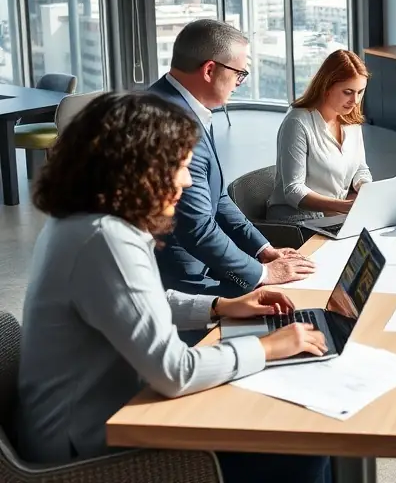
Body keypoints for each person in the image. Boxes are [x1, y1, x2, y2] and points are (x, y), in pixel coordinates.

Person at [17, 92, 332, 483]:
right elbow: (175, 373)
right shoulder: (104, 239)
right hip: (86, 447)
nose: (185, 180)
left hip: (92, 415)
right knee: (302, 451)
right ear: (138, 168)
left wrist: (219, 305)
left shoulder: (84, 221)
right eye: (180, 166)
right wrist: (269, 347)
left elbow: (136, 302)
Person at [150, 19, 314, 299]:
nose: (240, 82)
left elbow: (217, 197)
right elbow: (196, 228)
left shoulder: (189, 107)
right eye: (240, 73)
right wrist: (263, 274)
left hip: (201, 265)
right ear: (210, 69)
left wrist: (263, 251)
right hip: (181, 280)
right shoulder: (172, 123)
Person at [268, 50, 374, 222]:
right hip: (296, 219)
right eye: (348, 92)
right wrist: (344, 206)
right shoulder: (297, 123)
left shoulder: (351, 120)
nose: (355, 100)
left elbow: (361, 169)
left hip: (333, 214)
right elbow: (293, 191)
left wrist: (366, 189)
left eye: (360, 92)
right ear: (326, 87)